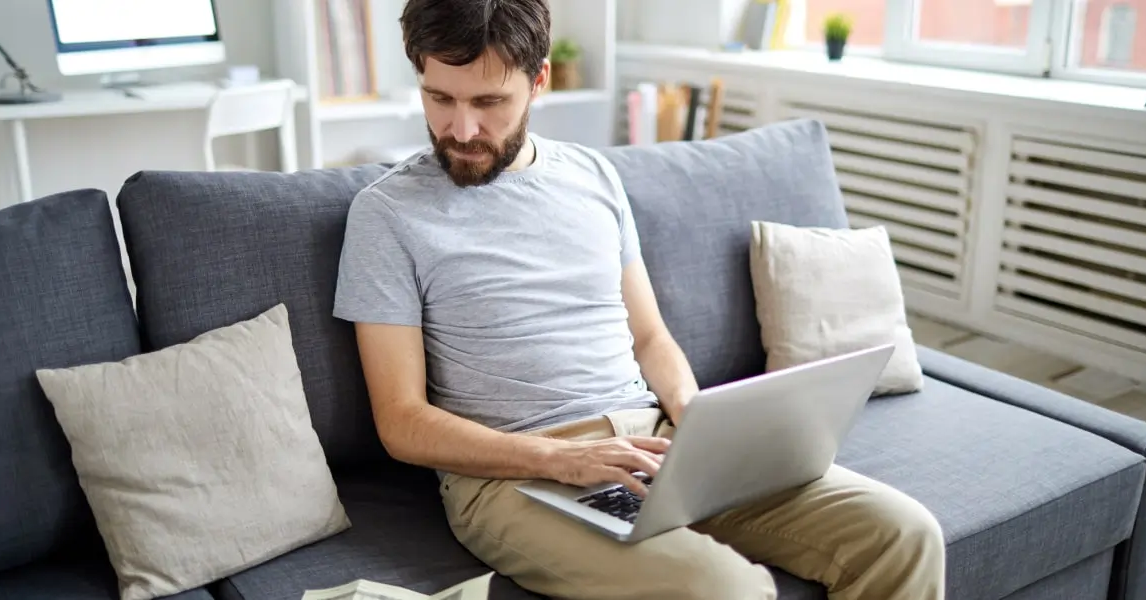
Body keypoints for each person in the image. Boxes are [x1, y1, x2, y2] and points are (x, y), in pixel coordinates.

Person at [332, 1, 946, 598]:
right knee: (723, 589)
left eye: (488, 102)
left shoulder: (594, 177)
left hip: (652, 441)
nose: (461, 129)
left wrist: (696, 420)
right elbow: (402, 422)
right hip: (514, 477)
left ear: (538, 80)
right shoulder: (387, 215)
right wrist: (559, 459)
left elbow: (649, 338)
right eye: (440, 98)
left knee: (905, 534)